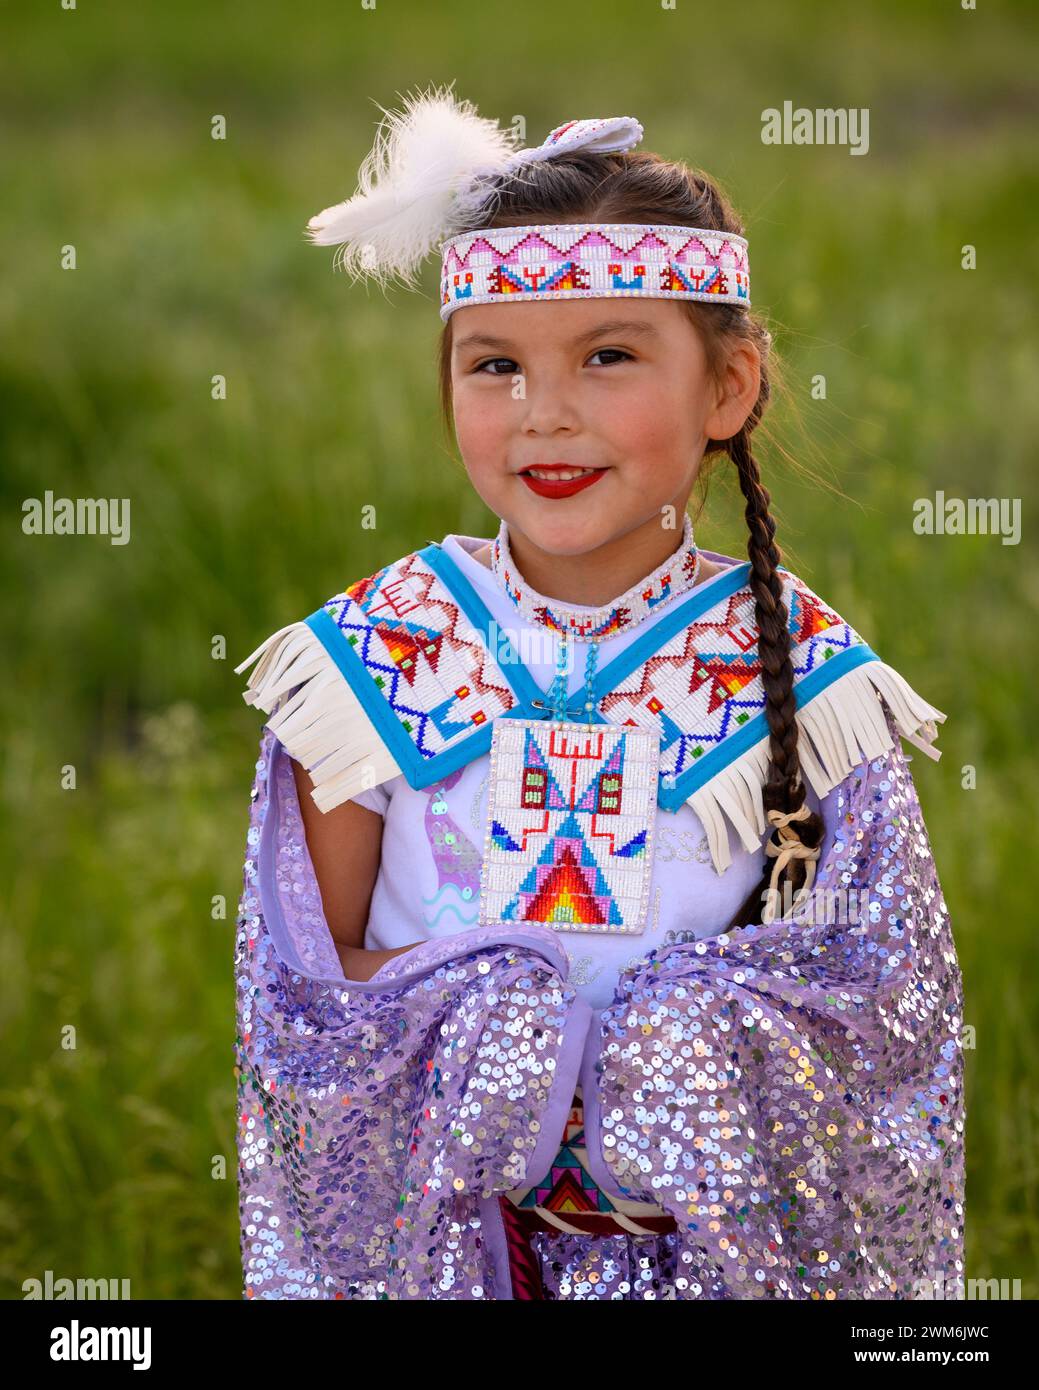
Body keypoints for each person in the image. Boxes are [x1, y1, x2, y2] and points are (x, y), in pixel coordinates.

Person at [232, 87, 965, 1300]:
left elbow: (880, 1013)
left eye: (609, 356)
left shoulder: (806, 681)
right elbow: (307, 1010)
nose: (545, 413)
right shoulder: (368, 667)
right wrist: (502, 1016)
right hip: (451, 1263)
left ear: (727, 389)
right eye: (495, 365)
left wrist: (685, 1030)